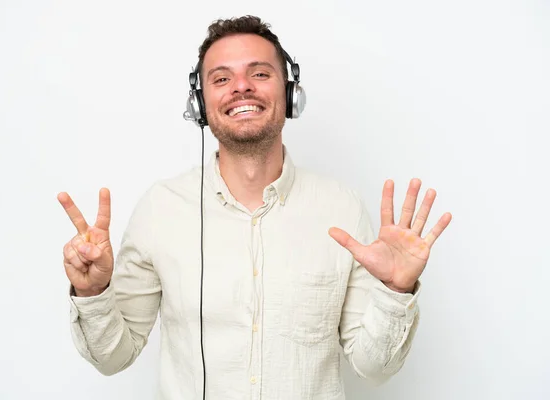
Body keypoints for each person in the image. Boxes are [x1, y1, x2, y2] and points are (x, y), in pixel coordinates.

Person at [57, 15, 452, 399]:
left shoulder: (341, 208)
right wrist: (92, 293)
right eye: (222, 78)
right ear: (200, 101)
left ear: (290, 92)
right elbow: (112, 358)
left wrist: (396, 290)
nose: (241, 88)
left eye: (260, 74)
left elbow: (374, 367)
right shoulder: (161, 209)